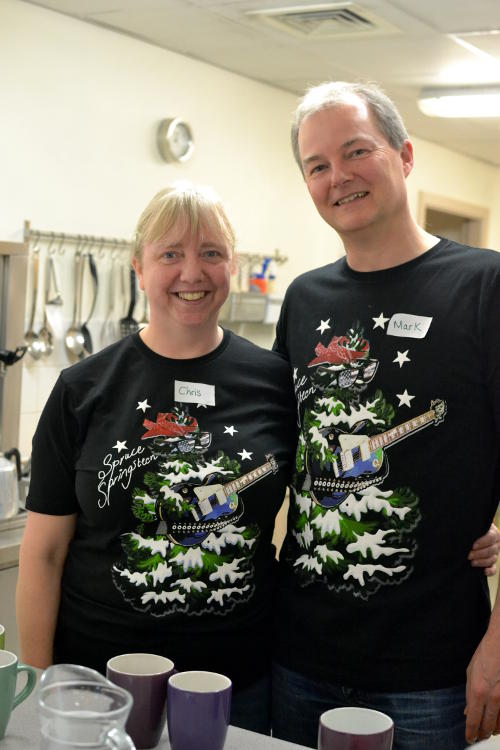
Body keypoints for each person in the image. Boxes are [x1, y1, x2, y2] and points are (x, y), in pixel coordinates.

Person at [16, 181, 297, 734]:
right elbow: (43, 554)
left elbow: (337, 482)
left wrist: (471, 529)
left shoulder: (274, 382)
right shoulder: (83, 388)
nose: (192, 273)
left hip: (236, 684)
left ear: (231, 266)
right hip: (95, 684)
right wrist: (39, 681)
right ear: (139, 269)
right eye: (171, 254)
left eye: (210, 253)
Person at [271, 80, 500, 749]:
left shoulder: (484, 286)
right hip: (298, 657)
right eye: (317, 165)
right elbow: (281, 448)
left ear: (403, 155)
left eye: (355, 151)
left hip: (432, 671)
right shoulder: (304, 297)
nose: (337, 176)